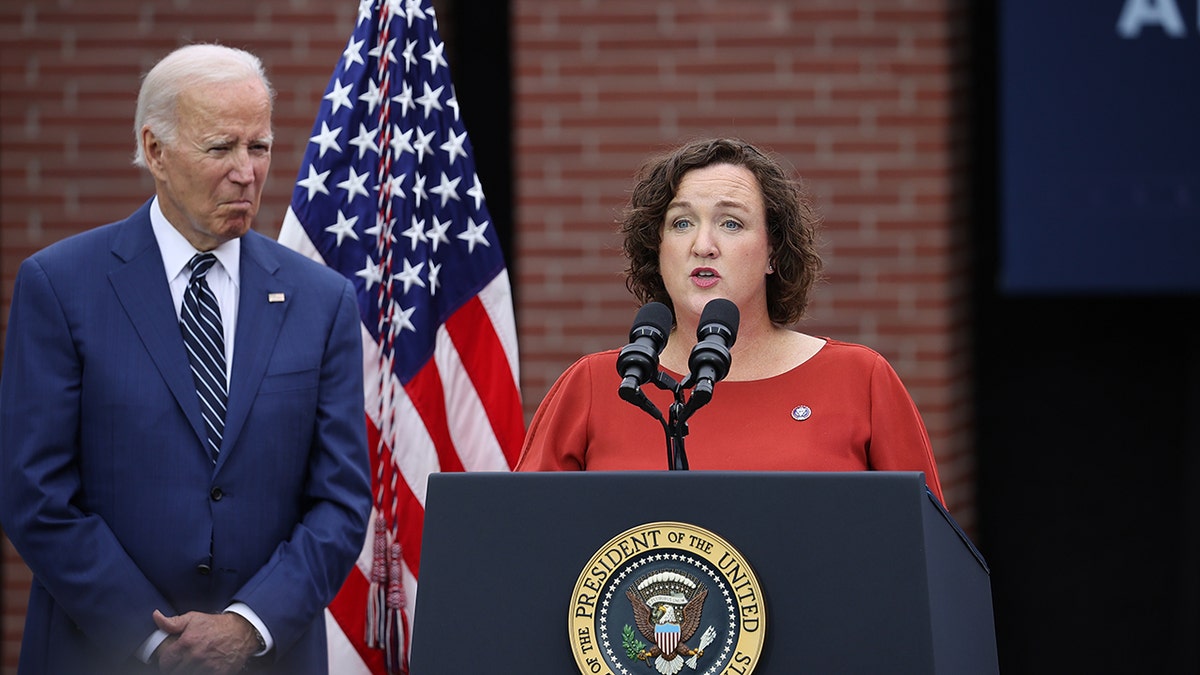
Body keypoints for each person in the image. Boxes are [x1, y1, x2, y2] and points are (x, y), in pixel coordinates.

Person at [0, 44, 372, 674]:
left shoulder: (323, 300)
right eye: (221, 147)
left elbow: (340, 500)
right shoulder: (61, 286)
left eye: (258, 147)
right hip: (102, 655)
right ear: (155, 151)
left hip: (266, 657)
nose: (246, 172)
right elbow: (35, 496)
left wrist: (247, 625)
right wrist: (155, 639)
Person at [515, 137, 945, 506]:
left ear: (773, 253)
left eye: (731, 223)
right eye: (682, 223)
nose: (703, 245)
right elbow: (522, 545)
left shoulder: (860, 380)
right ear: (657, 249)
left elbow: (928, 559)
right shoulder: (597, 385)